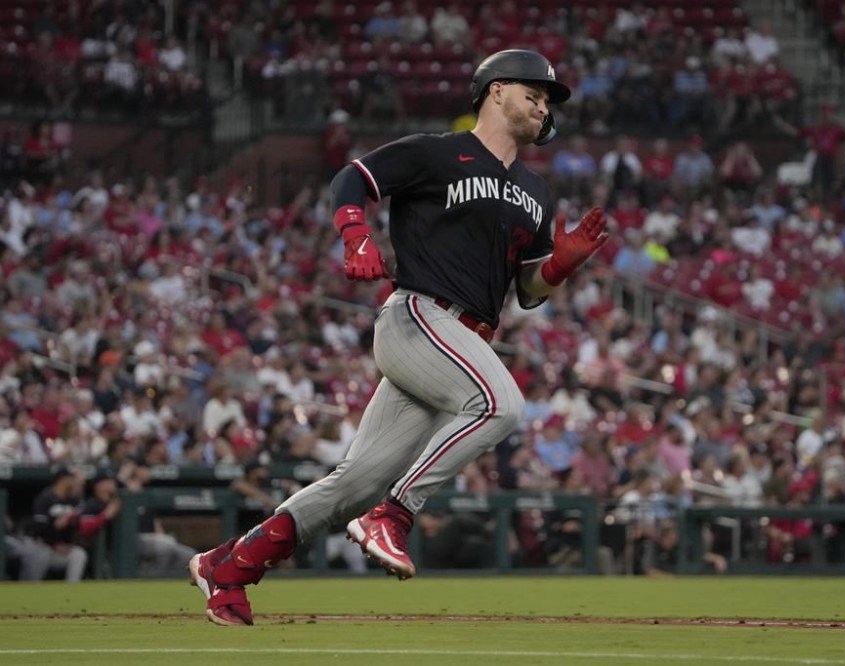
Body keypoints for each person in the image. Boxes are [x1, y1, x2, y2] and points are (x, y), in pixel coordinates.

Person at [187, 49, 608, 627]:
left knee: (351, 487)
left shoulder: (536, 191)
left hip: (459, 341)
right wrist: (355, 235)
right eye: (533, 90)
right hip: (417, 316)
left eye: (549, 98)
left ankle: (228, 568)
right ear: (495, 90)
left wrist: (559, 267)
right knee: (501, 405)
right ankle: (398, 514)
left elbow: (528, 290)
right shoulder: (437, 151)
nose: (543, 103)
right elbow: (351, 180)